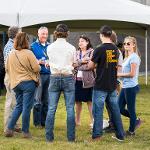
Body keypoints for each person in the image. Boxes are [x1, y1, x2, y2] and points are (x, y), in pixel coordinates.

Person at [84, 25, 125, 141]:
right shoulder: (116, 49)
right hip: (112, 84)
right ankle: (120, 135)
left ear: (102, 35)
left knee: (98, 111)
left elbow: (90, 66)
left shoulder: (99, 49)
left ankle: (97, 136)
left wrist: (91, 61)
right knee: (115, 111)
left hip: (100, 85)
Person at [5, 32, 41, 138]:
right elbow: (36, 68)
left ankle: (9, 129)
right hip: (28, 83)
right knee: (26, 107)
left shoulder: (11, 53)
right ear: (26, 41)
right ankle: (25, 132)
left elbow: (7, 68)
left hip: (15, 84)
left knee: (19, 106)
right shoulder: (28, 53)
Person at [45, 24, 76, 142]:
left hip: (54, 77)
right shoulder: (72, 47)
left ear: (56, 33)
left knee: (51, 108)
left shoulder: (50, 47)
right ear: (67, 33)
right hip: (68, 77)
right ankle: (71, 138)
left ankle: (49, 138)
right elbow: (73, 63)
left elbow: (50, 60)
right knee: (70, 108)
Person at [118, 36, 141, 136]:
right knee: (119, 108)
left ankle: (131, 131)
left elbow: (132, 74)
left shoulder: (134, 57)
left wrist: (119, 75)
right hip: (125, 86)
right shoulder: (127, 57)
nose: (126, 45)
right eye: (125, 43)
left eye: (128, 43)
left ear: (134, 45)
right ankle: (135, 119)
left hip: (131, 87)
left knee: (131, 109)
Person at [104, 30, 123, 133]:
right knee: (108, 104)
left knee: (113, 104)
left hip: (114, 81)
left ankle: (115, 126)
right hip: (108, 81)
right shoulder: (109, 50)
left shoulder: (117, 51)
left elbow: (119, 67)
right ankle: (112, 124)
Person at [31, 27, 50, 128]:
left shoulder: (50, 46)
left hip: (49, 75)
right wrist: (40, 61)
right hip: (39, 75)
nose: (45, 36)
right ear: (38, 34)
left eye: (46, 34)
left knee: (46, 100)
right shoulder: (33, 46)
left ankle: (44, 122)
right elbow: (31, 61)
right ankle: (37, 123)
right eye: (43, 34)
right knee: (37, 100)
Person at [3, 26, 20, 133]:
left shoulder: (13, 45)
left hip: (15, 76)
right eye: (20, 32)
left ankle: (14, 125)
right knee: (10, 102)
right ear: (16, 34)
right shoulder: (10, 47)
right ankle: (7, 128)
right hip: (11, 76)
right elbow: (9, 65)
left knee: (15, 101)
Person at [74, 35, 94, 128]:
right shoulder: (76, 52)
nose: (80, 43)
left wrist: (79, 65)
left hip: (88, 80)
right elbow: (73, 64)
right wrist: (82, 61)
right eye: (79, 41)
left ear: (87, 42)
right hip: (77, 80)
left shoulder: (92, 52)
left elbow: (91, 65)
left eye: (82, 41)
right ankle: (77, 121)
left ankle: (93, 121)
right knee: (77, 101)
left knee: (89, 101)